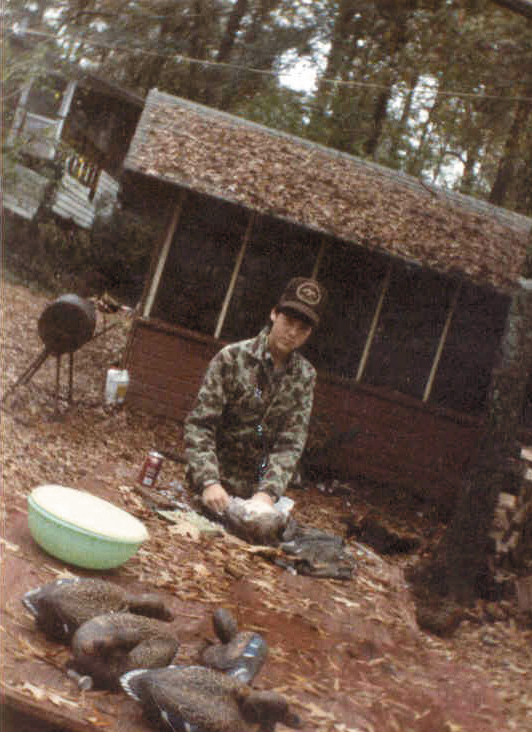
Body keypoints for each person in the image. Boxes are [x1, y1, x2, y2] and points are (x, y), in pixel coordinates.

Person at [184, 277, 327, 516]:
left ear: (309, 333)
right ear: (274, 314)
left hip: (257, 500)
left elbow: (290, 443)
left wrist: (266, 495)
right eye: (288, 321)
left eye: (302, 328)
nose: (292, 333)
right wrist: (209, 481)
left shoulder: (305, 376)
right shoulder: (231, 358)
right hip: (211, 489)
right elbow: (200, 425)